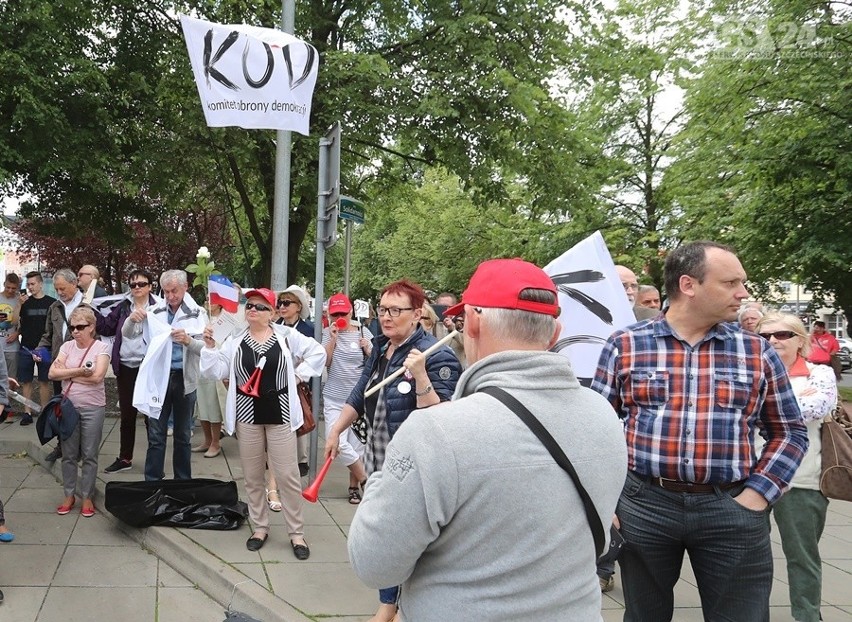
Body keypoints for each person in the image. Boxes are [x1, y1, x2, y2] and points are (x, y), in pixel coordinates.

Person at [347, 259, 627, 621]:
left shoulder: (434, 432)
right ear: (555, 333)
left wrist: (382, 482)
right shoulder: (604, 415)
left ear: (474, 323)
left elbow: (373, 564)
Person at [591, 241, 809, 621]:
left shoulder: (756, 351)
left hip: (731, 506)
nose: (743, 293)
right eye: (731, 283)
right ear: (689, 285)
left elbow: (789, 431)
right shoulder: (626, 345)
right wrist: (607, 500)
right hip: (645, 505)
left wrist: (758, 495)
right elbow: (596, 430)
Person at [324, 278, 461, 622]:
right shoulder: (383, 346)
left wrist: (421, 377)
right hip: (379, 456)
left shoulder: (435, 353)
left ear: (417, 314)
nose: (386, 317)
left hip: (414, 463)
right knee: (385, 532)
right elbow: (361, 392)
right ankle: (389, 601)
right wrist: (337, 430)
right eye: (382, 309)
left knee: (405, 537)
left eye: (395, 310)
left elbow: (441, 419)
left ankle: (400, 606)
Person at [200, 288, 325, 557]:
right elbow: (215, 370)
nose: (252, 310)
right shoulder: (235, 340)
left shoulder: (286, 337)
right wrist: (209, 347)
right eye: (249, 306)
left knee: (288, 476)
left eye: (259, 306)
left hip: (279, 414)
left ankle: (297, 533)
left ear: (271, 313)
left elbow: (318, 353)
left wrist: (299, 375)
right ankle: (260, 527)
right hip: (247, 415)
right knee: (253, 476)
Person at [756, 312, 837, 622]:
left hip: (802, 482)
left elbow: (817, 406)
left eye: (782, 335)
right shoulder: (749, 372)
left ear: (800, 341)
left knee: (802, 559)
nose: (773, 341)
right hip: (752, 481)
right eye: (765, 337)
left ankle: (807, 617)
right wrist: (791, 401)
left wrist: (761, 406)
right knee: (749, 560)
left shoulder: (820, 374)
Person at [134, 270, 207, 481]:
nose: (170, 296)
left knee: (183, 436)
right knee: (156, 434)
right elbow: (130, 334)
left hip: (185, 378)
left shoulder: (198, 312)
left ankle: (182, 483)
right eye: (165, 292)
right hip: (160, 379)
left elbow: (207, 349)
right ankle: (152, 482)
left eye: (174, 291)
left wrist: (188, 341)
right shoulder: (154, 310)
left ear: (185, 288)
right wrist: (132, 320)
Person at [48, 306, 111, 518]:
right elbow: (52, 373)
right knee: (68, 454)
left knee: (90, 455)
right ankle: (69, 495)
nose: (75, 331)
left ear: (91, 327)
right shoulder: (66, 346)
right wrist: (79, 372)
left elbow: (97, 377)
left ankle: (87, 496)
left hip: (93, 407)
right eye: (72, 327)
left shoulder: (101, 347)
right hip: (69, 408)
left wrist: (67, 375)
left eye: (80, 327)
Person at [97, 270, 159, 474]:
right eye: (133, 285)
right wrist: (92, 311)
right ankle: (125, 458)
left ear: (150, 286)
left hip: (148, 367)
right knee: (127, 415)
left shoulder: (160, 307)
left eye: (142, 284)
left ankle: (154, 462)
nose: (137, 288)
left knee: (152, 416)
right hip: (125, 365)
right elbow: (106, 329)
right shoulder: (123, 307)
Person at [322, 293, 372, 504]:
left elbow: (373, 361)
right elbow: (325, 362)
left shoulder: (363, 331)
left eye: (343, 312)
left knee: (357, 444)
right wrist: (333, 338)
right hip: (334, 397)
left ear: (351, 311)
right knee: (338, 443)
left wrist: (367, 348)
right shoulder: (327, 332)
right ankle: (365, 479)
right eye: (335, 314)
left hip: (357, 399)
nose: (339, 316)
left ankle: (354, 487)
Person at [36, 268, 88, 462]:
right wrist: (40, 351)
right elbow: (48, 335)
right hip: (60, 365)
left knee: (80, 408)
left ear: (74, 284)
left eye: (63, 288)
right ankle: (62, 446)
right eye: (57, 289)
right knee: (60, 407)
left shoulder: (87, 305)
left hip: (81, 364)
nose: (59, 292)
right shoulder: (55, 307)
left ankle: (82, 448)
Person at [275, 284, 316, 478]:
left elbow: (315, 356)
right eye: (280, 303)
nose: (282, 307)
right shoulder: (275, 327)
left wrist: (300, 374)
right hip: (276, 380)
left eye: (286, 303)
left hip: (300, 382)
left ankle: (301, 460)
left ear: (298, 306)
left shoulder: (309, 329)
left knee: (299, 418)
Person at [16, 271, 56, 426]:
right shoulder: (25, 303)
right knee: (26, 381)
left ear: (40, 284)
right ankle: (27, 411)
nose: (30, 287)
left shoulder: (51, 303)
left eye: (33, 284)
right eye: (28, 284)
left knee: (44, 380)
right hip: (26, 347)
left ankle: (44, 411)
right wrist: (19, 304)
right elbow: (14, 322)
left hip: (45, 347)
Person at [192, 302, 230, 458]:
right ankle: (207, 440)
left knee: (213, 406)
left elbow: (225, 344)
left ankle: (216, 442)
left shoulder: (226, 321)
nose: (209, 303)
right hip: (201, 365)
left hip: (217, 366)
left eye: (213, 301)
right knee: (202, 405)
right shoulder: (202, 316)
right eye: (209, 300)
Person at [0, 273, 21, 397]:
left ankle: (8, 406)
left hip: (11, 347)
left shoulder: (20, 300)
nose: (10, 290)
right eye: (8, 287)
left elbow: (25, 323)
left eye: (13, 288)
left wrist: (17, 333)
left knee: (11, 378)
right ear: (4, 284)